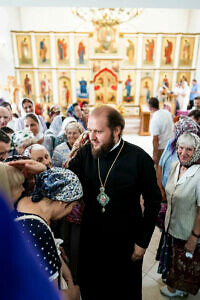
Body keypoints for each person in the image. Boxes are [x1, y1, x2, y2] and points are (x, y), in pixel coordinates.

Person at [67, 105, 161, 300]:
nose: (92, 137)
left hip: (125, 241)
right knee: (93, 289)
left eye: (98, 131)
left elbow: (153, 202)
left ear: (116, 130)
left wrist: (143, 242)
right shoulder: (85, 154)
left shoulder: (139, 158)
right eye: (90, 130)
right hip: (92, 239)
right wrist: (43, 168)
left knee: (123, 291)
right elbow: (65, 180)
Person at [15, 167, 82, 298]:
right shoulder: (39, 231)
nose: (71, 211)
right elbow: (49, 295)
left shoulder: (21, 201)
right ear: (62, 202)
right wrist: (74, 294)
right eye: (73, 206)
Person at [159, 133, 200, 297]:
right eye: (181, 147)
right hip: (171, 225)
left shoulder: (198, 174)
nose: (183, 152)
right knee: (174, 262)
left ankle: (180, 290)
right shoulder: (176, 165)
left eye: (189, 149)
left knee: (185, 264)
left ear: (196, 151)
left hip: (187, 231)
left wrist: (194, 237)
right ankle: (175, 286)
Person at [148, 97, 174, 167]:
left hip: (161, 147)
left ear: (150, 107)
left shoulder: (155, 119)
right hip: (171, 145)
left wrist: (155, 155)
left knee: (159, 169)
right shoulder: (167, 112)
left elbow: (155, 139)